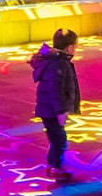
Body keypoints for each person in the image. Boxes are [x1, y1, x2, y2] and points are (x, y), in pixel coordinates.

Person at [30, 28, 82, 180]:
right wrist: (61, 111)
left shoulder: (57, 61)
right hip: (51, 110)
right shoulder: (59, 64)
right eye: (76, 46)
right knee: (59, 139)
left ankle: (52, 165)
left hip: (48, 108)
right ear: (70, 48)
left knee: (56, 137)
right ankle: (54, 167)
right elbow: (56, 89)